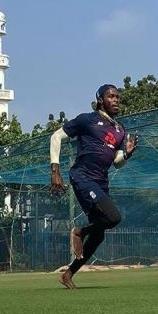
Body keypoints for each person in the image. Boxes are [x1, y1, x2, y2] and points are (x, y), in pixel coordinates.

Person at [49, 84, 138, 289]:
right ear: (100, 100)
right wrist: (55, 170)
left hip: (101, 182)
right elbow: (56, 137)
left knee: (98, 235)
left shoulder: (119, 129)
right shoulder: (87, 120)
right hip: (83, 178)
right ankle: (79, 232)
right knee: (114, 217)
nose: (116, 100)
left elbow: (116, 161)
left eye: (117, 97)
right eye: (111, 96)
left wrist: (127, 154)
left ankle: (68, 274)